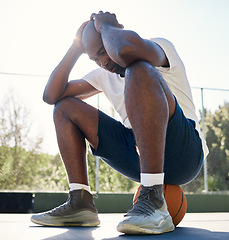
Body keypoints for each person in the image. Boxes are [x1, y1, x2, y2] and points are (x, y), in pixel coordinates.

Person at [31, 11, 208, 235]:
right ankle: (80, 202)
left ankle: (153, 198)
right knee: (65, 107)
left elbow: (125, 51)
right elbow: (52, 95)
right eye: (95, 58)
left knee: (138, 67)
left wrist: (105, 26)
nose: (103, 62)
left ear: (117, 31)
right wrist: (77, 48)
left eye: (103, 51)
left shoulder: (159, 48)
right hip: (138, 154)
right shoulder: (102, 76)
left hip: (184, 153)